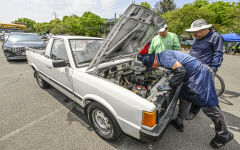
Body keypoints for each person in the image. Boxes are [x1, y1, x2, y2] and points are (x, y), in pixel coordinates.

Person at [141, 50, 233, 149]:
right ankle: (179, 122)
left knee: (209, 106)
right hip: (191, 76)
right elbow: (178, 67)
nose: (154, 67)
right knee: (184, 97)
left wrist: (170, 85)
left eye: (152, 66)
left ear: (153, 61)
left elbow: (181, 71)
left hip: (199, 75)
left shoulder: (163, 57)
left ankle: (224, 135)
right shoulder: (162, 55)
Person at [185, 19, 224, 120]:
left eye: (195, 32)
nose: (194, 34)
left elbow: (218, 53)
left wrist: (213, 69)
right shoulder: (197, 38)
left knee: (200, 92)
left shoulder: (215, 37)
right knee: (190, 88)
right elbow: (193, 51)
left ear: (204, 29)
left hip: (204, 70)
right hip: (193, 67)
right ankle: (187, 106)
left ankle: (194, 111)